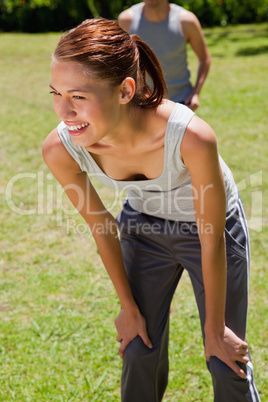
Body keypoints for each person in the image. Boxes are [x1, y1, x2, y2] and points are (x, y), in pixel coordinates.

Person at [42, 18, 260, 402]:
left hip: (210, 231)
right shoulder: (61, 148)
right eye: (55, 93)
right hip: (144, 226)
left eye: (78, 96)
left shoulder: (191, 137)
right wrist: (127, 308)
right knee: (139, 346)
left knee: (223, 358)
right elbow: (103, 227)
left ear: (125, 90)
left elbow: (211, 237)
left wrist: (213, 329)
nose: (64, 111)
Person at [118, 0, 211, 111]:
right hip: (141, 105)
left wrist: (195, 93)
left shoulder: (186, 21)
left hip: (180, 103)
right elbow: (119, 63)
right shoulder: (126, 20)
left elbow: (204, 58)